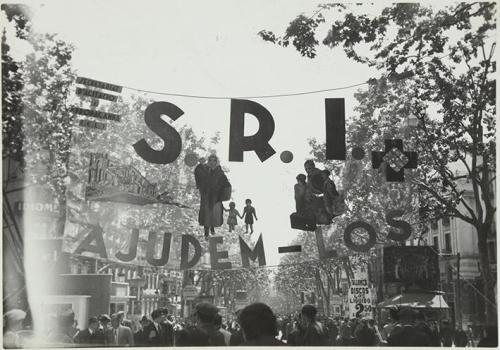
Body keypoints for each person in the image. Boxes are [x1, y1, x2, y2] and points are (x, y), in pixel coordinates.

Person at [196, 154, 231, 239]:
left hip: (216, 197)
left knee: (214, 215)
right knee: (206, 215)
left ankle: (212, 228)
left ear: (216, 162)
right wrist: (200, 165)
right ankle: (206, 234)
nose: (212, 162)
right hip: (206, 196)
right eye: (210, 160)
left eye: (214, 160)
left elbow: (226, 184)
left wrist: (223, 194)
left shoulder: (220, 172)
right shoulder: (205, 170)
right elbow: (199, 175)